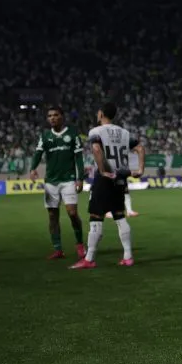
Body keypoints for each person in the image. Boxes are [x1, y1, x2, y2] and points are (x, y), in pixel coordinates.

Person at [71, 102, 145, 269]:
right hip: (121, 177)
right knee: (120, 216)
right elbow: (140, 148)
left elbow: (97, 149)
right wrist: (140, 169)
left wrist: (103, 171)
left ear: (101, 113)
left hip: (105, 178)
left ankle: (89, 259)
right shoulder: (124, 132)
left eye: (98, 111)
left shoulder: (96, 131)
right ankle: (128, 257)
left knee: (96, 217)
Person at [29, 106, 86, 260]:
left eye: (55, 115)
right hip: (51, 182)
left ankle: (80, 244)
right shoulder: (45, 135)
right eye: (49, 116)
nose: (52, 118)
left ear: (62, 116)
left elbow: (79, 158)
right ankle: (58, 249)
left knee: (72, 213)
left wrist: (80, 178)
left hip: (68, 180)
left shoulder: (72, 133)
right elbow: (38, 153)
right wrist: (33, 168)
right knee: (52, 216)